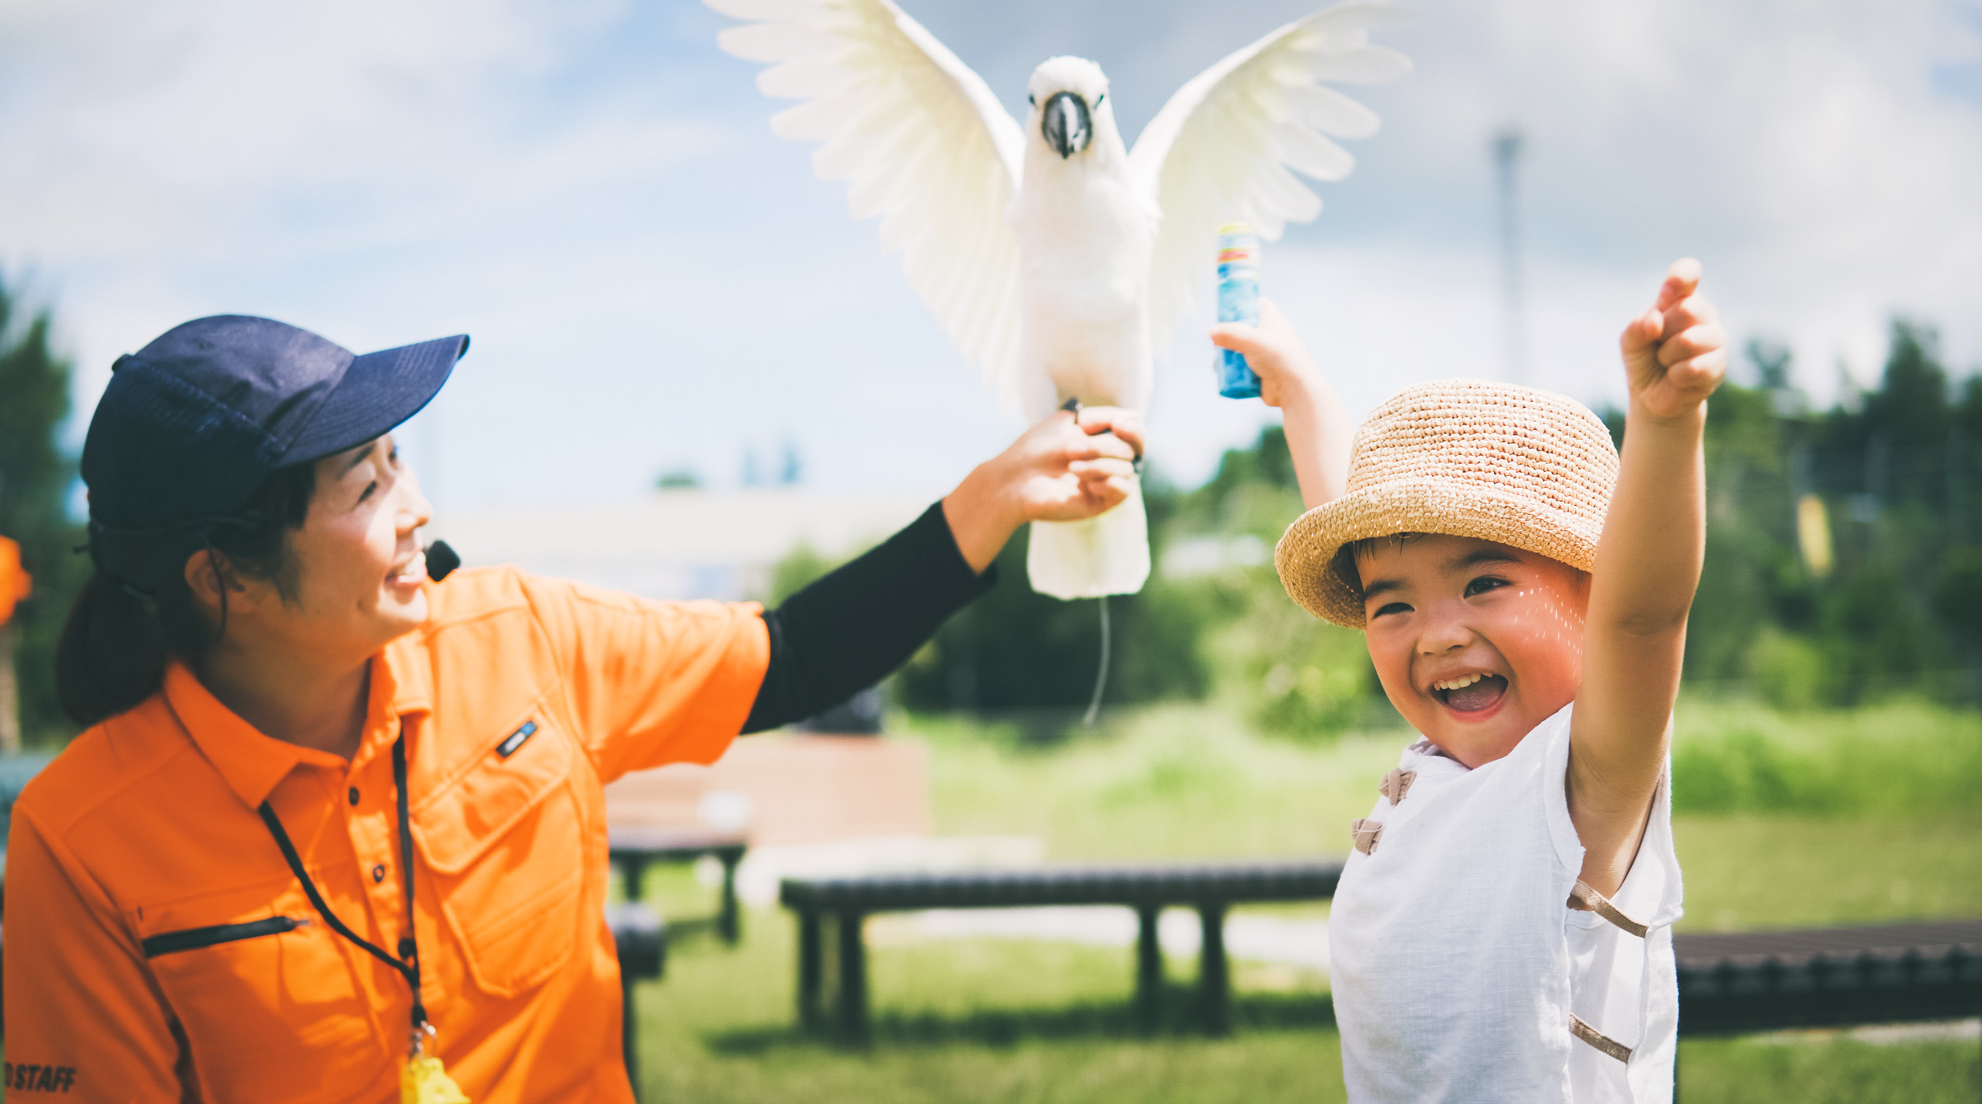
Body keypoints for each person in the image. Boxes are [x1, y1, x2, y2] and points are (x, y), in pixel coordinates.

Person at [3, 314, 1143, 1101]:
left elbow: (787, 657)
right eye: (364, 487)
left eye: (398, 462)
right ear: (225, 579)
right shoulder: (80, 844)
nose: (418, 509)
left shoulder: (518, 639)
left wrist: (988, 502)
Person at [1213, 260, 1726, 1103]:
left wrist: (1667, 422)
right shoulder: (1441, 767)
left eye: (1485, 582)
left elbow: (1647, 619)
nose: (1437, 632)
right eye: (1393, 607)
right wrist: (1300, 390)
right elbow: (1359, 525)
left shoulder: (1583, 783)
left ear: (1594, 596)